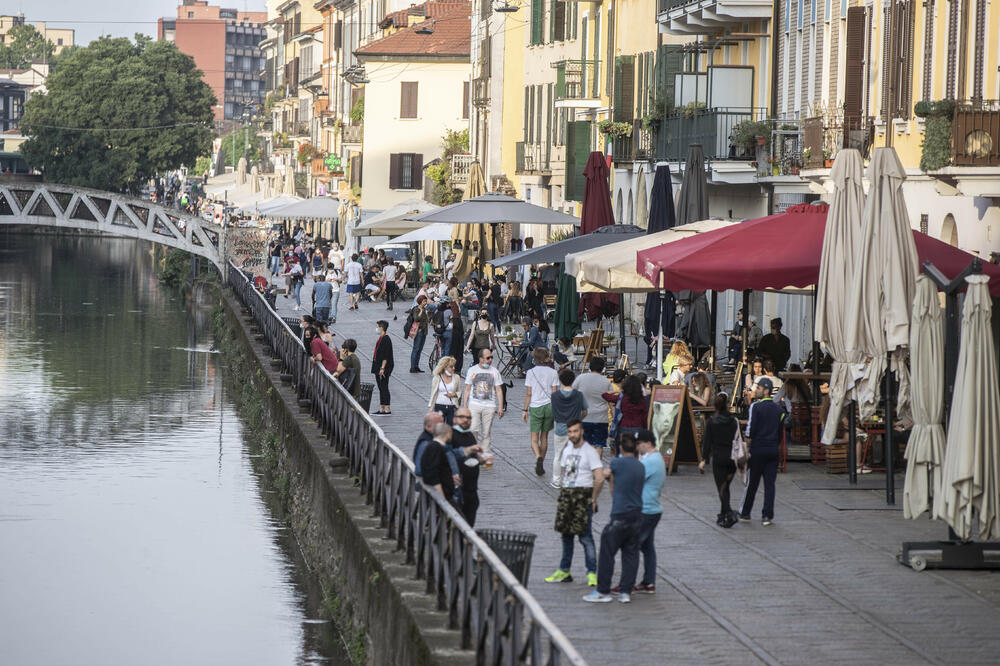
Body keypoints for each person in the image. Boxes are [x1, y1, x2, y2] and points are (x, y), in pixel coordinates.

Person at [583, 434, 645, 604]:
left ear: (621, 448)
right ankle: (625, 592)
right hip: (637, 514)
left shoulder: (617, 463)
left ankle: (603, 590)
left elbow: (605, 475)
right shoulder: (641, 467)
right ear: (636, 448)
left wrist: (595, 495)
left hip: (620, 514)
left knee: (607, 551)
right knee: (631, 554)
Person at [545, 420, 604, 587]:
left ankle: (591, 572)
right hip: (568, 494)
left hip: (583, 495)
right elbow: (567, 473)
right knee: (566, 535)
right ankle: (564, 570)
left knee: (585, 537)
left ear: (582, 431)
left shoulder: (590, 452)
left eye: (575, 431)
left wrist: (593, 498)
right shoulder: (567, 449)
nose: (572, 435)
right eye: (570, 432)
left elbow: (599, 478)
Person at [739, 378, 785, 526]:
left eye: (758, 388)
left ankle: (745, 513)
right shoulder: (779, 410)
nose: (756, 390)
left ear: (766, 390)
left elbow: (750, 430)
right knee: (770, 485)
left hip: (758, 449)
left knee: (752, 483)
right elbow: (780, 433)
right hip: (773, 450)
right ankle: (767, 516)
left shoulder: (755, 407)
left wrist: (747, 447)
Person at [699, 395, 740, 527]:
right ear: (727, 405)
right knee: (725, 486)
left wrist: (704, 459)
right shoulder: (734, 421)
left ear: (715, 407)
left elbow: (707, 443)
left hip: (719, 459)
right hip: (732, 459)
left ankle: (729, 513)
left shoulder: (712, 422)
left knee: (722, 488)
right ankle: (723, 515)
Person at [634, 430, 664, 594]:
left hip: (646, 509)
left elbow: (635, 477)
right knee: (647, 547)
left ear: (648, 443)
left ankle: (628, 583)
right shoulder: (653, 458)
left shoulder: (651, 461)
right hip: (652, 508)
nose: (637, 447)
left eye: (639, 444)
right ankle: (649, 581)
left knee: (632, 546)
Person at [549, 369, 588, 488]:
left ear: (560, 380)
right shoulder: (579, 395)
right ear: (573, 380)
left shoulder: (554, 396)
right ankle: (570, 479)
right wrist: (579, 419)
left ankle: (556, 480)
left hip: (560, 428)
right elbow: (585, 411)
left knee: (558, 455)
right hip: (575, 428)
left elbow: (552, 411)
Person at [523, 347, 559, 477]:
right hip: (549, 406)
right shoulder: (553, 372)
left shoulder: (530, 372)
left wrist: (525, 409)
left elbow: (529, 394)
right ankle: (541, 461)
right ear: (546, 358)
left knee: (534, 439)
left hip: (535, 406)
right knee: (544, 437)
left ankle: (538, 457)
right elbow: (554, 393)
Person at [461, 348, 505, 453]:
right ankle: (473, 451)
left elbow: (499, 390)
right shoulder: (472, 370)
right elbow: (467, 389)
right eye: (488, 358)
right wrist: (464, 406)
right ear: (480, 359)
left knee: (486, 432)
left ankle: (484, 453)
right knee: (473, 429)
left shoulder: (494, 371)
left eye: (491, 357)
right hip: (474, 404)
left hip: (489, 406)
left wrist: (500, 407)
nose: (490, 360)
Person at [450, 407, 483, 525]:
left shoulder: (469, 435)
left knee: (469, 524)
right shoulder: (450, 435)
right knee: (457, 526)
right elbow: (447, 456)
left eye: (468, 418)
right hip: (458, 490)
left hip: (472, 489)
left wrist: (481, 459)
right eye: (462, 417)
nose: (465, 420)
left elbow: (473, 456)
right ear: (454, 419)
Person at [573, 358, 612, 452]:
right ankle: (597, 461)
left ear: (590, 366)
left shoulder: (580, 378)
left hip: (584, 418)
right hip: (601, 419)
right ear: (602, 368)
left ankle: (585, 461)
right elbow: (611, 402)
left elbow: (572, 394)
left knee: (583, 445)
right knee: (599, 446)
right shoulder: (606, 382)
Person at [603, 375, 647, 450]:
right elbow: (644, 416)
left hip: (623, 427)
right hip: (638, 427)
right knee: (636, 451)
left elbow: (605, 395)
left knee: (623, 450)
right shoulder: (642, 400)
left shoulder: (622, 398)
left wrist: (617, 391)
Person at [418, 423, 457, 506]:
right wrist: (443, 500)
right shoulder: (435, 448)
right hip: (442, 496)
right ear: (448, 434)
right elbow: (432, 475)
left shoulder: (434, 446)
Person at [429, 356, 462, 424]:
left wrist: (454, 394)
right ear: (444, 367)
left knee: (451, 428)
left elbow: (459, 392)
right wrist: (430, 408)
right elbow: (433, 393)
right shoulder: (437, 378)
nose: (453, 368)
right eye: (451, 367)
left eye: (454, 366)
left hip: (452, 407)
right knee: (439, 427)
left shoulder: (456, 377)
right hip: (439, 406)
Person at [372, 320, 394, 414]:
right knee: (381, 387)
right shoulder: (381, 338)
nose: (376, 328)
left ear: (381, 328)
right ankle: (382, 407)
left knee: (384, 387)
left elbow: (386, 355)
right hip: (378, 365)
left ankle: (387, 408)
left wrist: (382, 368)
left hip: (383, 367)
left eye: (377, 326)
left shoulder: (386, 339)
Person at [413, 412, 444, 476]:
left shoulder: (435, 439)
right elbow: (419, 469)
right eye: (440, 425)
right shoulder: (425, 443)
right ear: (428, 427)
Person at [408, 296, 430, 373]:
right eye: (424, 301)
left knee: (420, 349)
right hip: (418, 332)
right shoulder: (416, 309)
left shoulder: (424, 309)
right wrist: (421, 311)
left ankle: (416, 366)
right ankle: (412, 367)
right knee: (416, 349)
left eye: (426, 301)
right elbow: (416, 319)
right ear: (420, 301)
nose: (425, 303)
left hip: (424, 331)